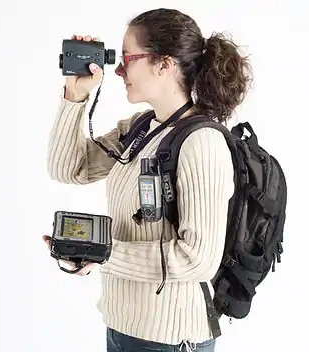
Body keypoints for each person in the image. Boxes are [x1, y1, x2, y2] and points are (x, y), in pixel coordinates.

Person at [43, 7, 252, 352]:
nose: (119, 69)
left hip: (169, 339)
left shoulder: (202, 143)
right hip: (125, 326)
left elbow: (197, 258)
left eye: (127, 58)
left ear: (164, 63)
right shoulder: (140, 127)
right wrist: (75, 94)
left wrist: (105, 254)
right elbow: (69, 169)